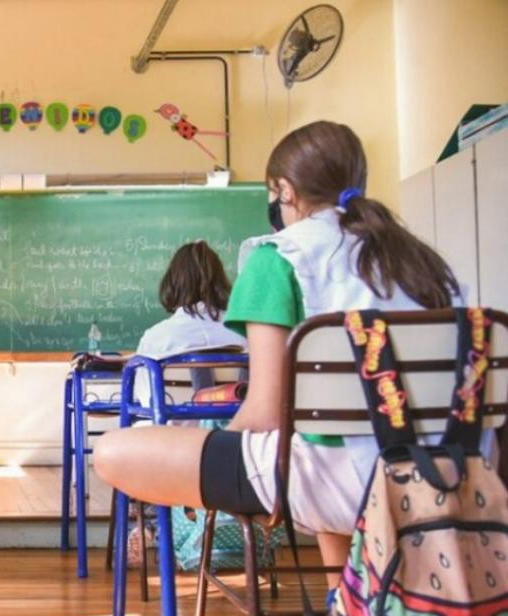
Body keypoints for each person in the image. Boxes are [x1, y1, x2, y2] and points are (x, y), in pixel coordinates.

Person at [92, 121, 494, 583]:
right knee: (315, 444)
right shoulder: (423, 262)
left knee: (115, 451)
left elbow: (264, 414)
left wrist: (204, 486)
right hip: (455, 472)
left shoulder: (277, 258)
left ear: (283, 190)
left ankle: (340, 603)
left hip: (342, 484)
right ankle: (344, 613)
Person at [131, 240, 245, 407]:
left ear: (173, 283)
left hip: (172, 431)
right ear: (221, 281)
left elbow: (146, 403)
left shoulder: (155, 339)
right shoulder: (246, 334)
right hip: (236, 430)